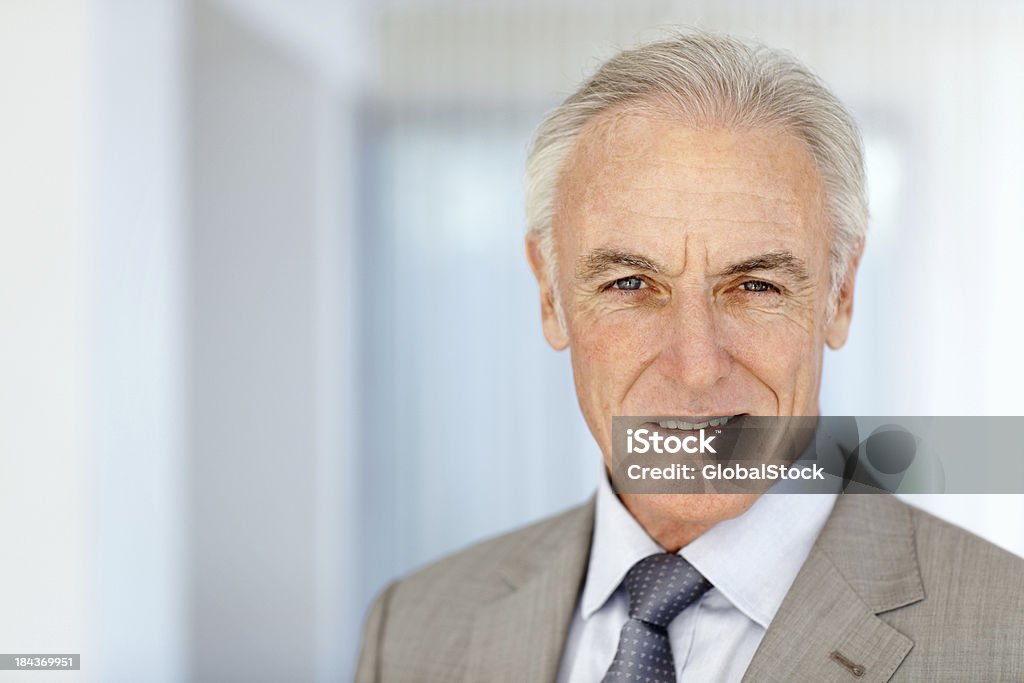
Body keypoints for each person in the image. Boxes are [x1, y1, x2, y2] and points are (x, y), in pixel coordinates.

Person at [355, 31, 1024, 682]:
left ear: (840, 295)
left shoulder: (1007, 639)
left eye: (755, 285)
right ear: (551, 295)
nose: (696, 365)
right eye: (631, 284)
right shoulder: (414, 628)